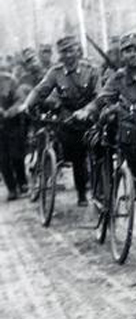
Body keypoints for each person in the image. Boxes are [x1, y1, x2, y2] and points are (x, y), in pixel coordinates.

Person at [76, 33, 136, 248]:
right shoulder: (118, 78)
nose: (133, 55)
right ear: (122, 55)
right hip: (132, 140)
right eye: (128, 51)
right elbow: (103, 98)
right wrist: (88, 110)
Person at [23, 35, 99, 206]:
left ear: (78, 51)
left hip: (90, 115)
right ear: (60, 55)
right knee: (77, 156)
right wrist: (28, 104)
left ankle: (101, 189)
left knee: (99, 151)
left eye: (71, 50)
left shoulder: (91, 70)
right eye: (64, 52)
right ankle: (82, 193)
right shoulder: (55, 72)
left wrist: (88, 110)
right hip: (69, 119)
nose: (68, 55)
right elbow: (40, 90)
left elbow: (99, 95)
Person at [0, 69, 27, 200]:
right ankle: (11, 188)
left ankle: (22, 182)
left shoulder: (9, 80)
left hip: (12, 124)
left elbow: (20, 99)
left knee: (17, 156)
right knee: (3, 160)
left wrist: (9, 112)